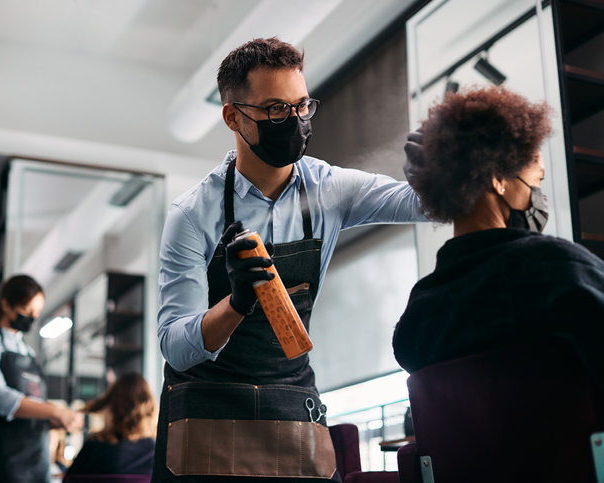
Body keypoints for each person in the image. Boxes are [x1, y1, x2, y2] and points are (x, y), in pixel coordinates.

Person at [152, 37, 426, 482]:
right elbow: (175, 347)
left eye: (302, 106)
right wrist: (236, 304)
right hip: (206, 416)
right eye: (276, 109)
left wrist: (439, 169)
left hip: (290, 400)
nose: (295, 120)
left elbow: (426, 204)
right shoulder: (191, 214)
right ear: (233, 116)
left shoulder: (329, 189)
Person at [392, 85, 604, 407]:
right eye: (535, 182)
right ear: (498, 178)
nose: (537, 197)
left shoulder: (418, 317)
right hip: (576, 457)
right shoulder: (558, 269)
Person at [0, 274, 83, 483]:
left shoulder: (27, 352)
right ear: (6, 305)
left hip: (37, 460)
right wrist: (54, 410)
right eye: (27, 311)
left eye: (37, 312)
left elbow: (33, 405)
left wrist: (53, 420)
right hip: (0, 458)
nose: (32, 317)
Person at [65, 373, 157, 477]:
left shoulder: (96, 445)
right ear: (150, 408)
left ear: (113, 406)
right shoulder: (157, 452)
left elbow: (69, 480)